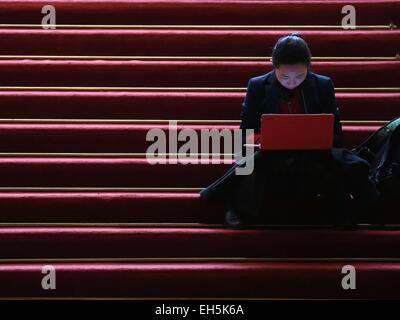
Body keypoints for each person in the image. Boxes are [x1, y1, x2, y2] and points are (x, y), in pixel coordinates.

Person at [199, 32, 380, 230]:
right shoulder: (258, 86)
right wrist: (269, 138)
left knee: (343, 163)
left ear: (309, 67)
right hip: (269, 152)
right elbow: (245, 133)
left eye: (299, 76)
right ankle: (239, 208)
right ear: (273, 66)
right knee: (254, 158)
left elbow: (336, 135)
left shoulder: (323, 85)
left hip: (312, 152)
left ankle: (345, 209)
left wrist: (314, 138)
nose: (292, 82)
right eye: (284, 76)